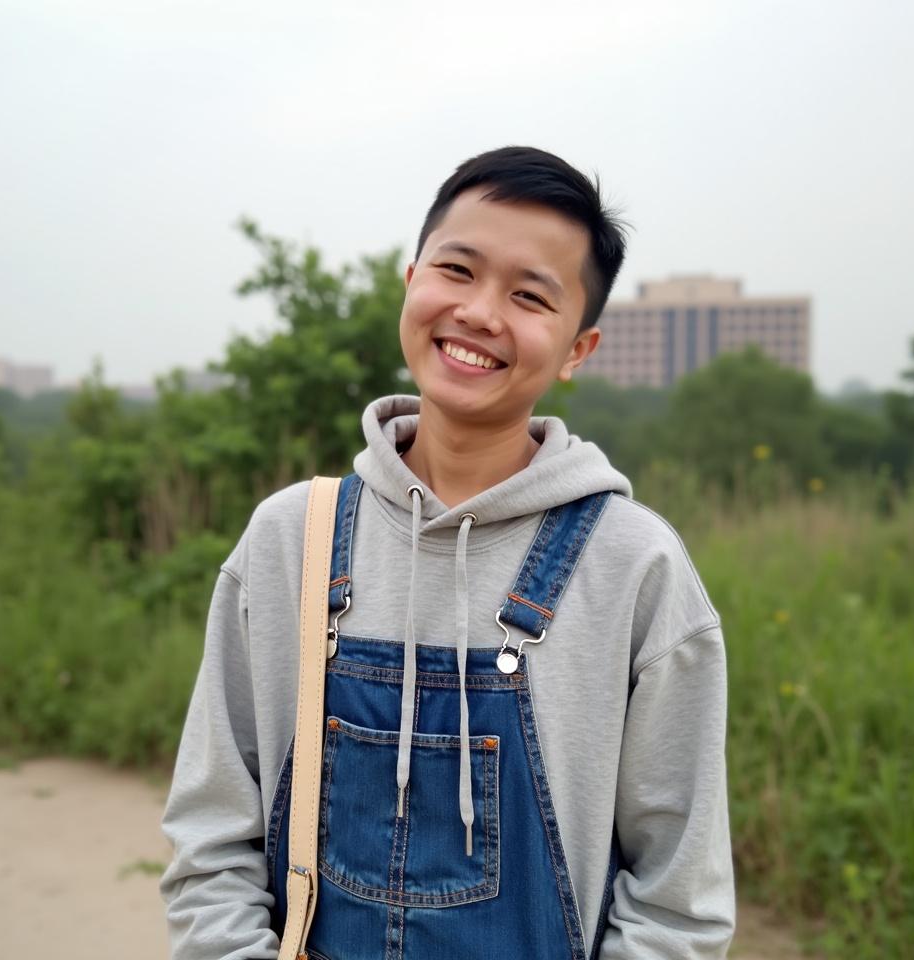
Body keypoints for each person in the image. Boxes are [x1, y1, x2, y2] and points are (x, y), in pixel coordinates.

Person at [160, 146, 735, 959]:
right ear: (411, 282)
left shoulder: (635, 567)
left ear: (579, 348)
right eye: (458, 271)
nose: (480, 313)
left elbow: (679, 901)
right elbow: (211, 834)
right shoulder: (291, 537)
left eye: (530, 295)